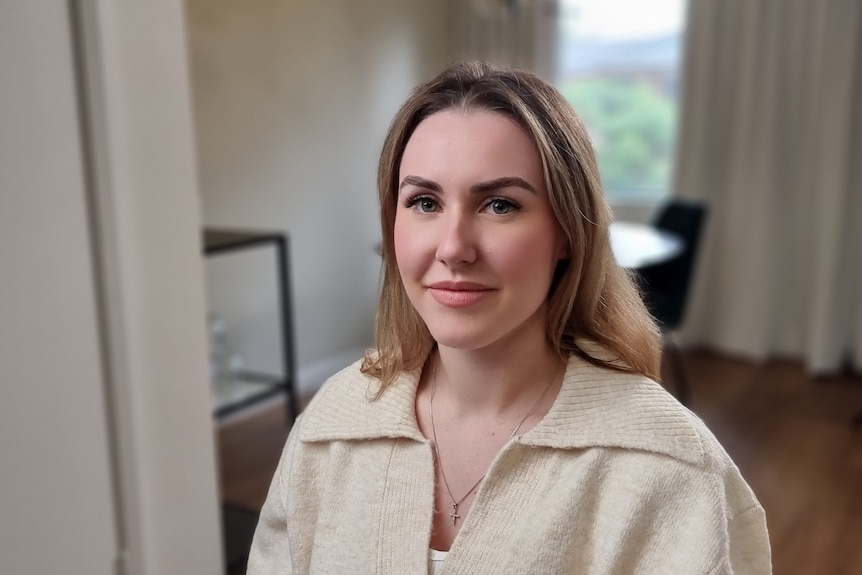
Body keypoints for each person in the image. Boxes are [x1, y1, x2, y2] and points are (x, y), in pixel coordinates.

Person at [247, 61, 771, 574]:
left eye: (499, 205)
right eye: (425, 202)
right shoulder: (332, 425)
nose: (453, 248)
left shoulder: (669, 468)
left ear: (567, 232)